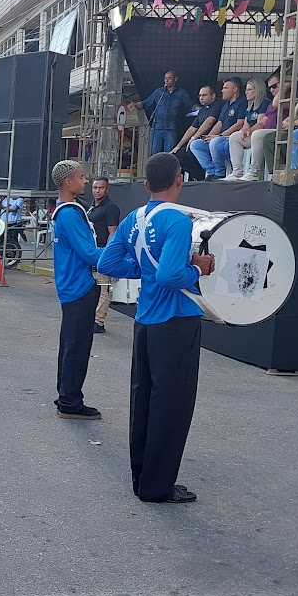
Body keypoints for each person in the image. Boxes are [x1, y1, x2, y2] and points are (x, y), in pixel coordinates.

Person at [97, 152, 216, 504]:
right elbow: (169, 275)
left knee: (144, 399)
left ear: (147, 184)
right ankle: (158, 486)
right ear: (180, 180)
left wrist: (144, 270)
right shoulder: (177, 220)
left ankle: (142, 478)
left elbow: (108, 263)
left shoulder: (134, 217)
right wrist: (198, 269)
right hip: (175, 320)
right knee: (172, 405)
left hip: (145, 319)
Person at [50, 161, 104, 420]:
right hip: (79, 287)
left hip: (71, 285)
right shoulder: (70, 213)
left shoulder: (64, 210)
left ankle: (66, 394)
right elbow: (89, 252)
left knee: (70, 344)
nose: (86, 181)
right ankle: (70, 401)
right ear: (68, 182)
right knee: (77, 347)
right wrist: (122, 255)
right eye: (82, 177)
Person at [191, 77, 246, 180]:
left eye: (225, 88)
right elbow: (219, 123)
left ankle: (220, 172)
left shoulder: (242, 102)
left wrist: (219, 136)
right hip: (222, 137)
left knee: (215, 142)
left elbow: (240, 124)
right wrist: (209, 136)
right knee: (196, 145)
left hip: (233, 137)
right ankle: (211, 170)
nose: (222, 91)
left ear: (235, 89)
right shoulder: (226, 105)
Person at [224, 77, 275, 182]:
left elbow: (261, 124)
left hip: (261, 135)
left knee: (256, 134)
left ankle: (254, 172)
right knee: (234, 137)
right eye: (246, 89)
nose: (246, 92)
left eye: (249, 89)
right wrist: (244, 131)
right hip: (252, 135)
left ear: (258, 90)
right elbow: (246, 125)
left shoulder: (265, 103)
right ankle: (237, 172)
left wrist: (249, 131)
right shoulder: (250, 105)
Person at [87, 176, 120, 334]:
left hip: (103, 253)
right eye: (95, 188)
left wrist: (107, 254)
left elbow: (112, 233)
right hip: (91, 253)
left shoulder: (111, 208)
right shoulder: (92, 207)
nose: (97, 191)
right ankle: (91, 318)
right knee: (93, 288)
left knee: (103, 288)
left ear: (107, 190)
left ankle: (99, 322)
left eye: (101, 188)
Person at [171, 85, 223, 180]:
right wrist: (178, 146)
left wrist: (193, 138)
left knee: (192, 150)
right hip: (201, 141)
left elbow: (209, 122)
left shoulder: (218, 104)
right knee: (177, 155)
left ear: (213, 95)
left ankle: (208, 174)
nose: (201, 98)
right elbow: (192, 128)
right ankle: (199, 176)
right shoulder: (203, 109)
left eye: (204, 95)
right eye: (200, 96)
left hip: (213, 140)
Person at [140, 70, 194, 154]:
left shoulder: (181, 93)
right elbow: (147, 103)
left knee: (169, 153)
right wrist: (136, 105)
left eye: (169, 78)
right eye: (165, 78)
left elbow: (190, 105)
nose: (167, 80)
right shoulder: (159, 92)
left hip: (171, 128)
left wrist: (198, 108)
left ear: (175, 79)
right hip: (157, 127)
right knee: (154, 153)